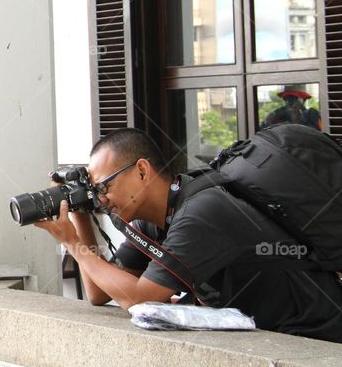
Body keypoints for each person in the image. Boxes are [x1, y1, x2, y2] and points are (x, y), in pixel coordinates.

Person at [35, 127, 342, 342]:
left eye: (104, 186)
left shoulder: (201, 212)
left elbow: (141, 299)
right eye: (95, 190)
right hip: (272, 333)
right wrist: (79, 214)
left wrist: (71, 243)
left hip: (312, 334)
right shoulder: (150, 221)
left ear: (142, 171)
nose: (101, 197)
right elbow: (101, 294)